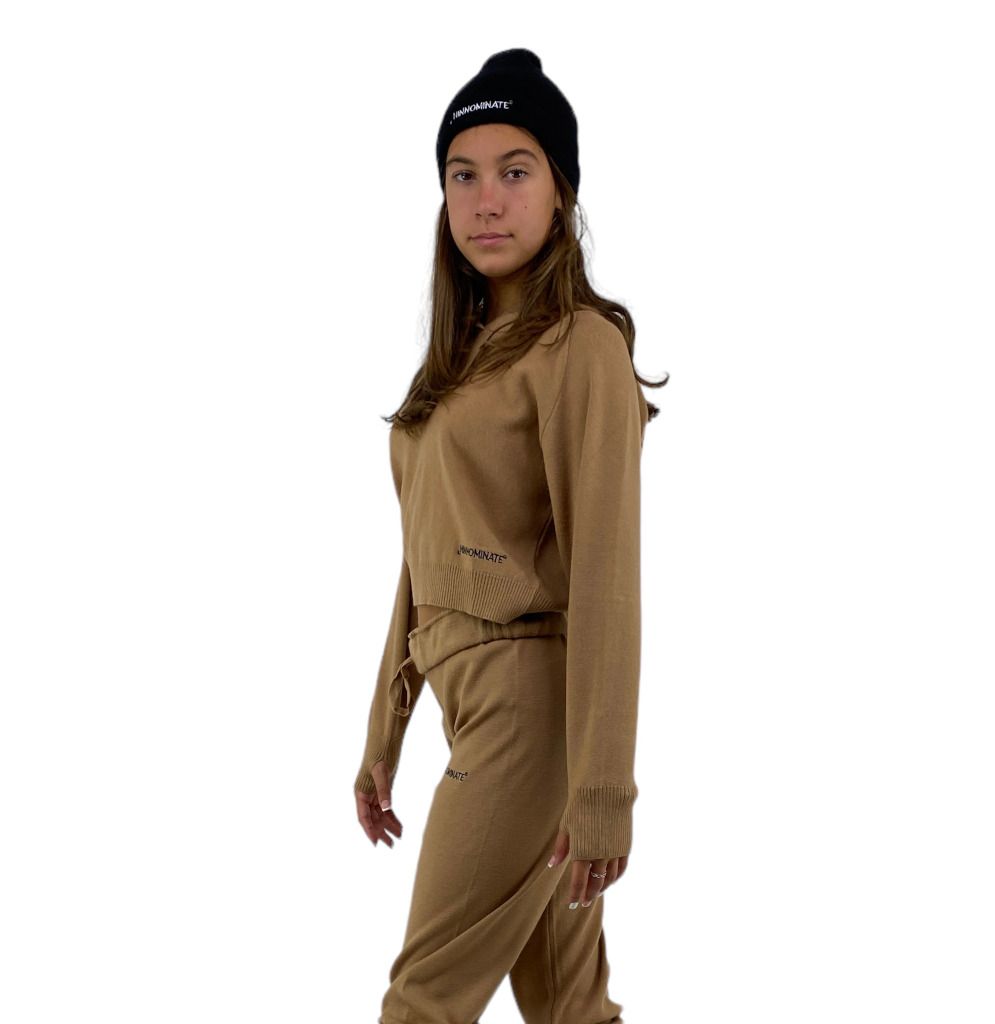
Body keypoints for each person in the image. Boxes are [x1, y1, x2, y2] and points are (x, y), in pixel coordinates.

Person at [353, 48, 667, 1024]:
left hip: (531, 708)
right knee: (571, 1007)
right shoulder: (457, 364)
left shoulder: (581, 347)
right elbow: (422, 562)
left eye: (515, 170)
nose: (485, 200)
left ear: (560, 190)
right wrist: (385, 732)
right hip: (477, 701)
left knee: (425, 1000)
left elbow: (607, 573)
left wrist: (604, 788)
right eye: (463, 174)